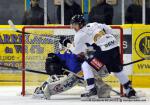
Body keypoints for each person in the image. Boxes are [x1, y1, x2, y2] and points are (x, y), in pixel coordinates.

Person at [69, 15, 136, 98]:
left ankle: (91, 90)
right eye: (73, 24)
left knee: (85, 65)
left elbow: (76, 51)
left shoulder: (79, 34)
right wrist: (105, 39)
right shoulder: (93, 24)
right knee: (117, 70)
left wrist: (67, 44)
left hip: (104, 51)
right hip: (114, 46)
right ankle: (130, 90)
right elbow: (109, 28)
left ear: (81, 24)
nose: (73, 27)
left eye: (75, 24)